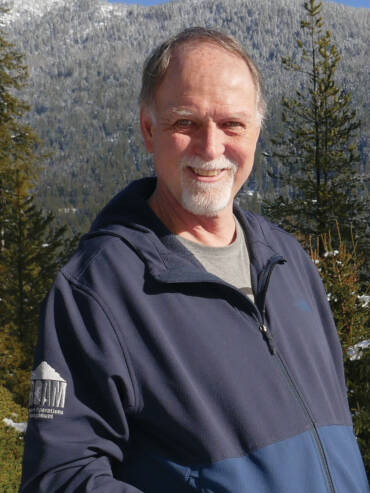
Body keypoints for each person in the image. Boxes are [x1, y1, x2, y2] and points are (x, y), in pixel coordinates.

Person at [19, 27, 368, 493]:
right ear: (148, 129)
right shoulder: (98, 290)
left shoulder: (287, 261)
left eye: (232, 125)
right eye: (186, 123)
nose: (210, 148)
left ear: (256, 131)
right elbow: (59, 477)